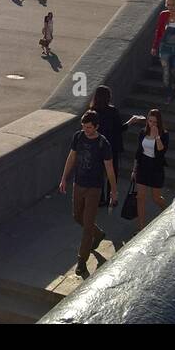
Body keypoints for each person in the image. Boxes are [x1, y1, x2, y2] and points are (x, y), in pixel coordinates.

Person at [57, 110, 118, 278]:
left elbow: (109, 168)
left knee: (88, 222)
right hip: (79, 183)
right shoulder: (78, 137)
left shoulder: (103, 143)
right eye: (84, 126)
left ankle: (81, 261)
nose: (86, 129)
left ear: (96, 126)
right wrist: (64, 178)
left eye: (89, 127)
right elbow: (71, 157)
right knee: (78, 217)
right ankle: (98, 234)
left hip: (94, 187)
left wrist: (114, 190)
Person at [129, 109, 169, 228]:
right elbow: (138, 152)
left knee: (156, 198)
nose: (152, 124)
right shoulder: (143, 132)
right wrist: (134, 169)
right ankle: (141, 226)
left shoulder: (164, 134)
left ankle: (167, 209)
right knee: (140, 197)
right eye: (150, 121)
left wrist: (157, 136)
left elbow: (162, 150)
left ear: (159, 123)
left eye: (155, 122)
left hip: (156, 167)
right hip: (143, 166)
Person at [89, 85, 125, 207]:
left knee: (99, 174)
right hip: (111, 146)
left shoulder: (92, 112)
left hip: (97, 147)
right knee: (112, 173)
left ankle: (99, 199)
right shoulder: (113, 111)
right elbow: (119, 128)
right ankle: (112, 197)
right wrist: (131, 122)